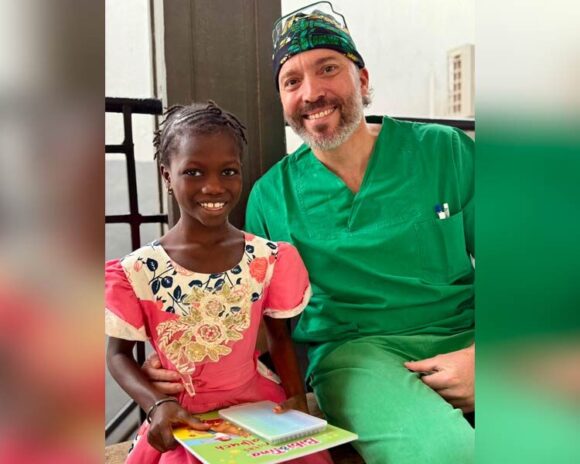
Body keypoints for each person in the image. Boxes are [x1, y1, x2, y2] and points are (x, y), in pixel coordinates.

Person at [145, 2, 475, 462]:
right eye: (292, 81)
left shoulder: (445, 151)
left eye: (328, 69)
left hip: (471, 334)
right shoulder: (272, 197)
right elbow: (259, 319)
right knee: (446, 453)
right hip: (360, 359)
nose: (312, 92)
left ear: (362, 80)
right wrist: (184, 353)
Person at [105, 101, 332, 464]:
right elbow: (117, 356)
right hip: (184, 417)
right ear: (167, 175)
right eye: (193, 172)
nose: (213, 187)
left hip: (260, 407)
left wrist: (295, 398)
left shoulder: (266, 258)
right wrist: (156, 403)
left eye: (228, 171)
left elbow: (279, 337)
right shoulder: (139, 270)